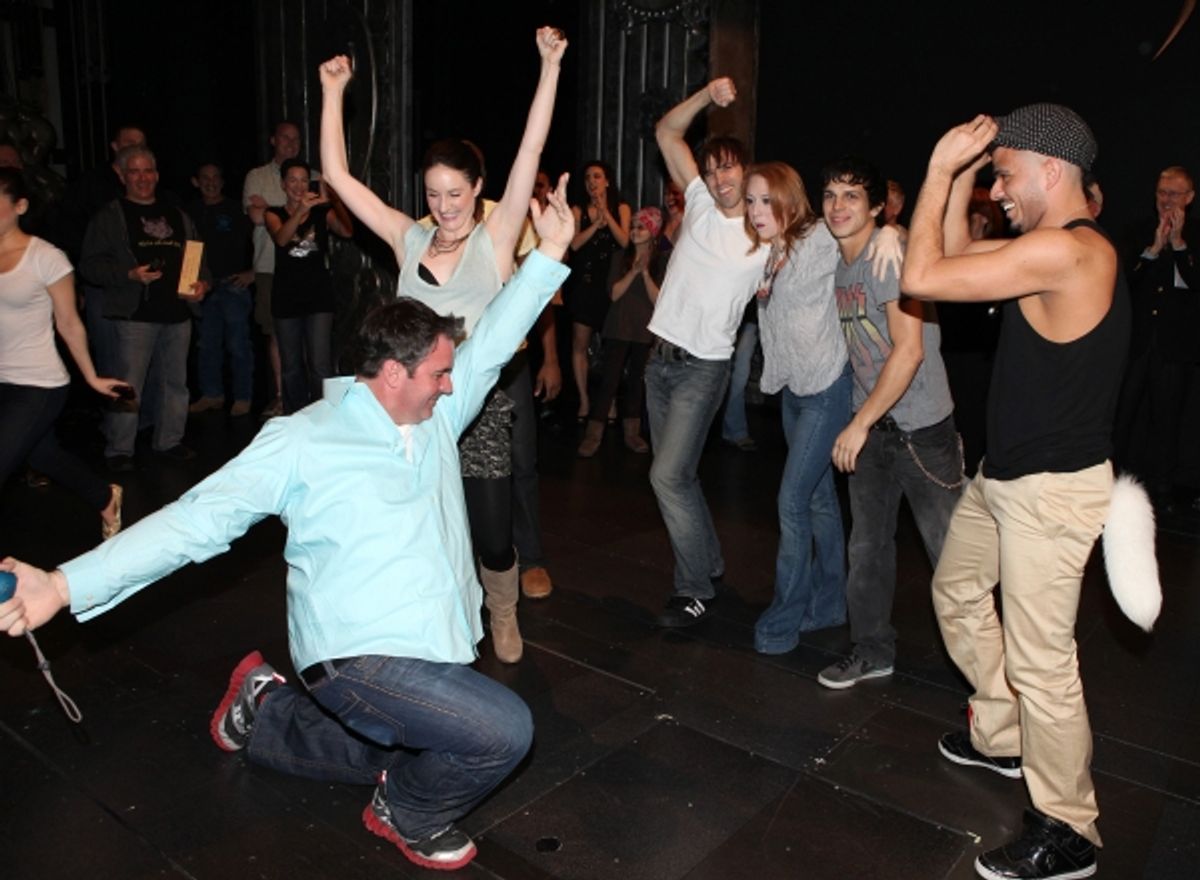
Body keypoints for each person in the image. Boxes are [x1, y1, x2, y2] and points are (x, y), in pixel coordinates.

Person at [0, 176, 575, 872]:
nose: (454, 385)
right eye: (438, 375)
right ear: (392, 373)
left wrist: (549, 251)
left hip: (428, 648)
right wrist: (63, 586)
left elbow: (499, 333)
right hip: (355, 657)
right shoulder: (305, 439)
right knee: (501, 729)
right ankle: (407, 811)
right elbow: (192, 523)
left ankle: (263, 709)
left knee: (394, 744)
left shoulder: (436, 414)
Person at [902, 105, 1129, 880]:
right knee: (958, 590)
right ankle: (1003, 736)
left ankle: (1070, 829)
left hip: (1052, 493)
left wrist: (938, 171)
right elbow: (961, 254)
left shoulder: (1072, 253)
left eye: (1004, 172)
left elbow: (923, 275)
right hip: (1006, 475)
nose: (997, 188)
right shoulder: (1044, 249)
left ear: (1051, 170)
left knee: (1043, 662)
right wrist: (966, 173)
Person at [319, 27, 566, 651]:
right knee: (419, 522)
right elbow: (336, 176)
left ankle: (501, 608)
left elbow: (531, 147)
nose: (445, 204)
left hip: (476, 401)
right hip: (410, 408)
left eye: (456, 192)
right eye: (434, 193)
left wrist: (549, 66)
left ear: (477, 189)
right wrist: (332, 92)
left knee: (488, 531)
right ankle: (431, 615)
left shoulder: (497, 234)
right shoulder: (408, 237)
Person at [816, 156, 962, 688]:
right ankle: (872, 650)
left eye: (852, 196)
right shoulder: (839, 259)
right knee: (868, 549)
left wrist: (857, 424)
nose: (838, 206)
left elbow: (910, 352)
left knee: (952, 556)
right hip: (874, 430)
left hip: (921, 429)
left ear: (878, 206)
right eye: (830, 195)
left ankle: (996, 675)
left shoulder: (888, 257)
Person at [648, 78, 768, 627]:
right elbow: (666, 131)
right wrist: (705, 98)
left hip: (704, 368)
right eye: (713, 167)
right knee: (680, 476)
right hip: (660, 361)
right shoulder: (696, 200)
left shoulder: (765, 236)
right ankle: (710, 562)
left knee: (667, 477)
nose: (719, 177)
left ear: (747, 174)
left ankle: (693, 589)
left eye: (729, 168)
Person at [742, 161, 852, 653]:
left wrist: (895, 235)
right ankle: (830, 603)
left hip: (827, 389)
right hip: (794, 390)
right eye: (750, 201)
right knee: (819, 501)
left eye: (765, 200)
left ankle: (784, 617)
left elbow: (870, 231)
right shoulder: (773, 251)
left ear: (787, 198)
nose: (755, 210)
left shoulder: (821, 237)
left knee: (791, 502)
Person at [0, 167, 125, 539]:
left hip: (38, 384)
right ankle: (105, 497)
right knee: (42, 455)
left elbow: (69, 324)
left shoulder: (47, 258)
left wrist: (91, 377)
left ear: (20, 206)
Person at [80, 145, 210, 471]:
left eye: (148, 171)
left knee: (175, 384)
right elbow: (89, 266)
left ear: (157, 174)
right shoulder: (110, 216)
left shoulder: (177, 214)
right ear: (121, 175)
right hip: (135, 315)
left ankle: (169, 441)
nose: (143, 178)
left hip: (177, 313)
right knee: (129, 384)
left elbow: (198, 258)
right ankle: (119, 448)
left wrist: (202, 284)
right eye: (135, 171)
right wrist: (128, 275)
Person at [1114, 165, 1197, 507]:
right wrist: (1153, 250)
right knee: (1122, 415)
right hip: (1136, 342)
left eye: (1174, 194)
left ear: (1189, 198)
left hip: (1173, 345)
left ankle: (1162, 487)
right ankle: (1111, 479)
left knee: (1167, 419)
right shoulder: (1137, 232)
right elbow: (1122, 283)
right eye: (1162, 193)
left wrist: (1177, 246)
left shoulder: (1195, 236)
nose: (1167, 200)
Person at [577, 206, 666, 457]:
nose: (635, 231)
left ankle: (632, 433)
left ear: (652, 231)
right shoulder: (619, 257)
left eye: (641, 227)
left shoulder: (661, 261)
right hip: (618, 327)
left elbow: (659, 299)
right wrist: (633, 272)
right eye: (633, 226)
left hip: (644, 329)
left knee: (637, 381)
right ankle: (593, 434)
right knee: (609, 381)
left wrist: (645, 273)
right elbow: (614, 293)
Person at [265, 158, 352, 413]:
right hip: (286, 296)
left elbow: (347, 232)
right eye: (292, 180)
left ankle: (325, 416)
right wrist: (300, 213)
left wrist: (333, 199)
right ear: (283, 184)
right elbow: (281, 239)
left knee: (320, 364)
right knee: (291, 365)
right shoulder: (274, 213)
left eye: (304, 180)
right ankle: (295, 417)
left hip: (318, 296)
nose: (299, 185)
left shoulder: (322, 212)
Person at [244, 121, 303, 417]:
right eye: (284, 138)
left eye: (296, 139)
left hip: (307, 267)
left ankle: (305, 398)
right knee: (276, 334)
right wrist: (280, 210)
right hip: (270, 266)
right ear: (273, 140)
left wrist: (269, 207)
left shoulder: (313, 175)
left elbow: (320, 214)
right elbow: (256, 218)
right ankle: (282, 397)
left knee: (308, 333)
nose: (290, 143)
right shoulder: (257, 176)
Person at [186, 162, 255, 416]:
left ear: (223, 182)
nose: (211, 182)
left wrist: (254, 272)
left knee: (238, 344)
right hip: (202, 287)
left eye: (216, 177)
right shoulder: (189, 211)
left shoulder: (237, 209)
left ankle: (243, 396)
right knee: (206, 344)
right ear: (196, 181)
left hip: (232, 284)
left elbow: (259, 239)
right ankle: (212, 394)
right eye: (205, 177)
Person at [564, 160, 631, 420]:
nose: (592, 181)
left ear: (607, 181)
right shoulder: (577, 209)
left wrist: (607, 215)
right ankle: (583, 400)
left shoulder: (621, 208)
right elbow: (575, 245)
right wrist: (595, 224)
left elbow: (625, 241)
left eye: (597, 176)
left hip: (610, 287)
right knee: (579, 345)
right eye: (588, 177)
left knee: (609, 348)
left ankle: (609, 402)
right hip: (584, 285)